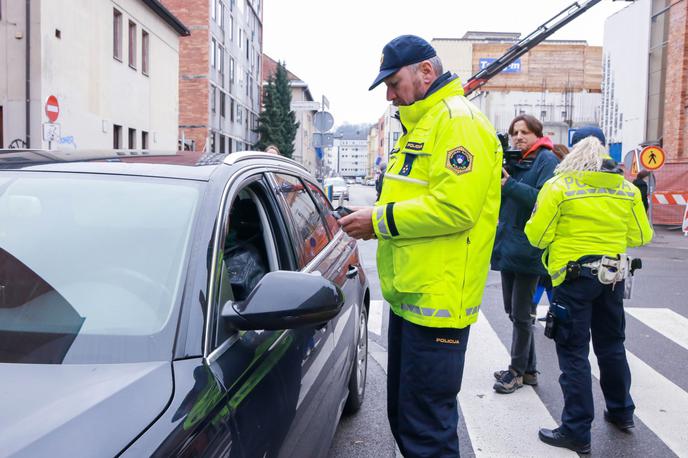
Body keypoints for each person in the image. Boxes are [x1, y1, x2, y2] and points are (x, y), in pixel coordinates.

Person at [339, 35, 502, 457]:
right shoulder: (426, 123)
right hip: (414, 298)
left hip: (438, 304)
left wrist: (377, 221)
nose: (391, 96)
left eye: (394, 84)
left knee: (425, 430)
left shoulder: (457, 121)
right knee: (407, 420)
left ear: (426, 72)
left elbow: (455, 209)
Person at [525, 132, 653, 454]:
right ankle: (622, 412)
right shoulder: (626, 190)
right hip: (613, 277)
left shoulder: (559, 186)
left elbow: (537, 237)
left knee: (574, 352)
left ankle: (576, 430)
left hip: (573, 280)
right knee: (612, 346)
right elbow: (642, 234)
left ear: (573, 153)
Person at [490, 114, 560, 394]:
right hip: (509, 245)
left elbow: (543, 201)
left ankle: (517, 371)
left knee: (521, 314)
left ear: (537, 134)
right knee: (513, 310)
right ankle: (529, 370)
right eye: (514, 132)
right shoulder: (515, 161)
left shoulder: (546, 160)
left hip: (530, 247)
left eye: (524, 132)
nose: (518, 137)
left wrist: (510, 184)